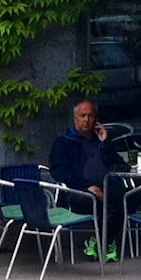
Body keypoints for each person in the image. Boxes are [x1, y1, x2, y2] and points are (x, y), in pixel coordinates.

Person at [48, 98, 122, 261]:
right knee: (104, 201)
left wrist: (105, 143)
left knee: (128, 196)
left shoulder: (100, 140)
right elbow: (59, 171)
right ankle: (105, 242)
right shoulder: (64, 141)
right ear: (75, 117)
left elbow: (117, 164)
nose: (86, 120)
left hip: (106, 188)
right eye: (82, 115)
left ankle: (100, 241)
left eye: (90, 116)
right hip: (76, 192)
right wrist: (86, 186)